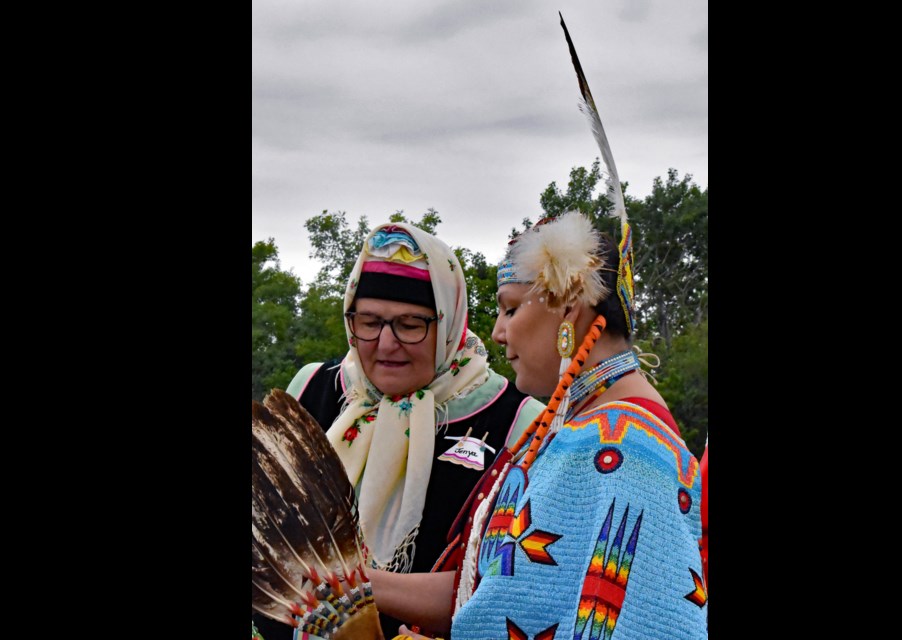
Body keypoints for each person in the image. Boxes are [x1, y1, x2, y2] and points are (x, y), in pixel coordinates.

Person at [379, 212, 707, 639]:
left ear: (569, 306)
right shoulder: (581, 428)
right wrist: (351, 582)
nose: (497, 332)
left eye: (511, 309)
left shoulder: (627, 446)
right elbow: (495, 597)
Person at [252, 222, 544, 639]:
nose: (385, 344)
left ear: (447, 322)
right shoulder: (312, 390)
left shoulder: (516, 423)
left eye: (410, 325)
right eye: (368, 321)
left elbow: (517, 587)